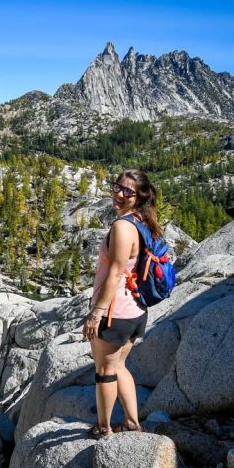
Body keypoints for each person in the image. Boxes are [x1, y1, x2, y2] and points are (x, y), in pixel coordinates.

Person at [81, 169, 163, 438]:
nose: (119, 194)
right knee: (119, 366)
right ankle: (131, 422)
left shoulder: (122, 226)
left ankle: (102, 428)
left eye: (128, 191)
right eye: (117, 187)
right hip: (136, 311)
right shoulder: (143, 222)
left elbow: (116, 272)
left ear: (139, 197)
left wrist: (96, 314)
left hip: (115, 313)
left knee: (104, 371)